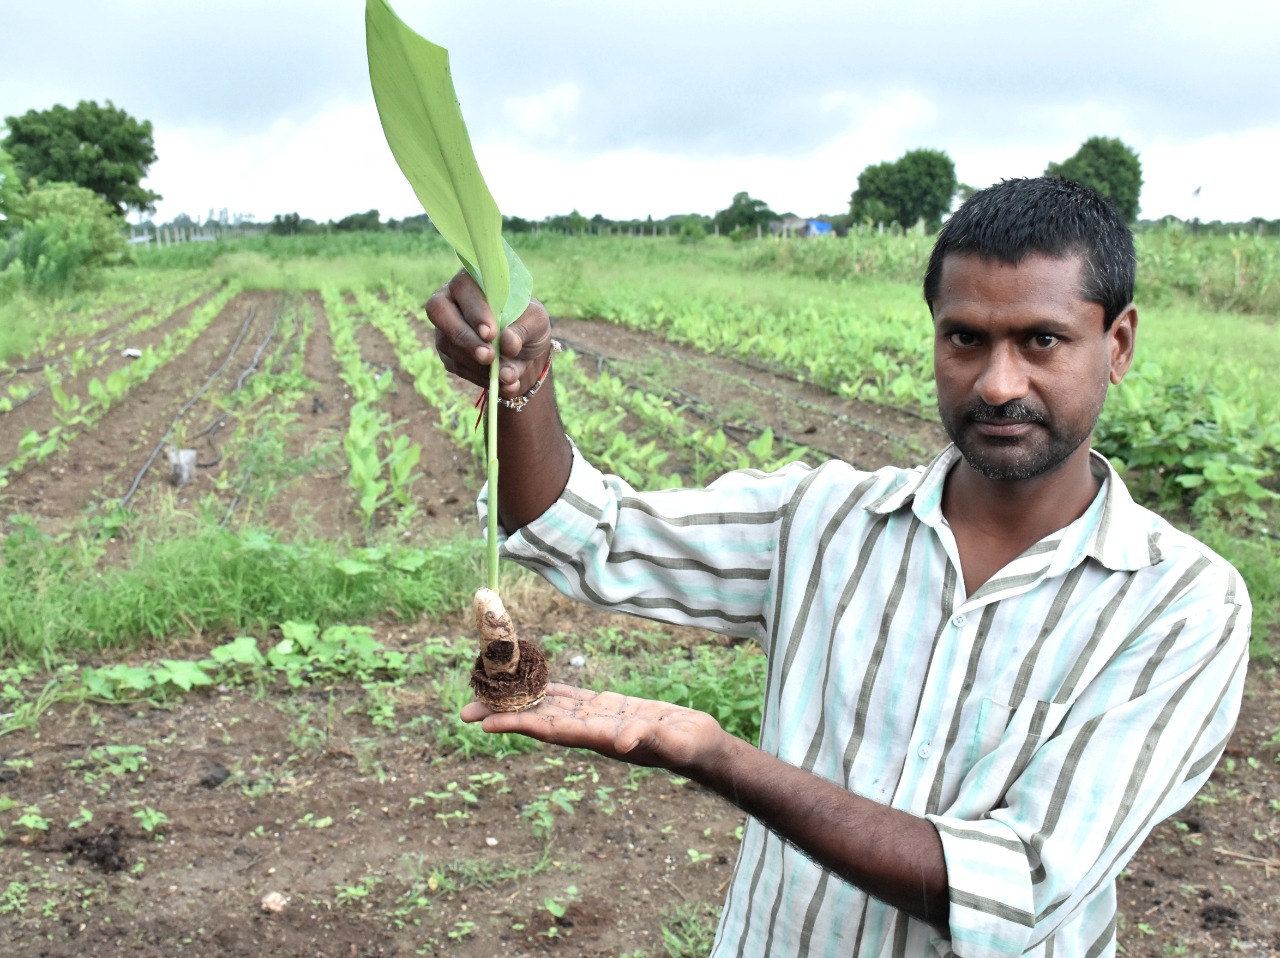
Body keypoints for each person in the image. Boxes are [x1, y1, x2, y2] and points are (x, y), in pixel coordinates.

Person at [425, 177, 1250, 958]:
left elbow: (1023, 885)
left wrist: (720, 758)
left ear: (1119, 343)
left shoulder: (1181, 604)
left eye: (1042, 340)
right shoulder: (821, 520)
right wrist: (520, 384)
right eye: (966, 338)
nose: (999, 384)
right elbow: (583, 529)